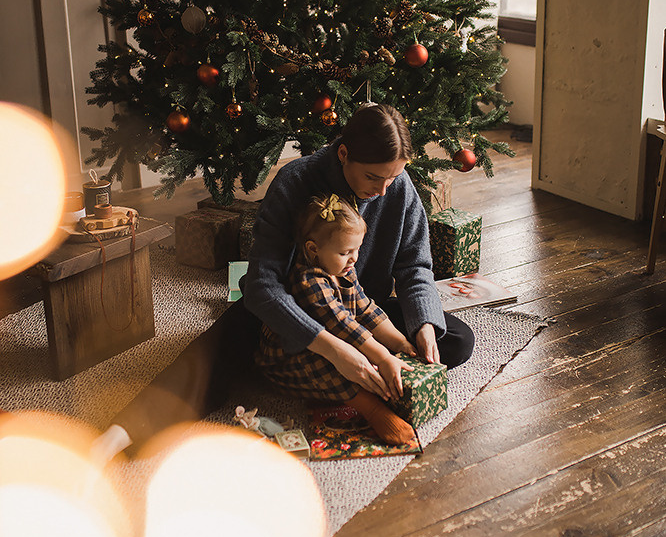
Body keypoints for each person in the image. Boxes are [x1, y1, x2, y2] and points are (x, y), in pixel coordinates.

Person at [94, 103, 474, 461]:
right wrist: (335, 351)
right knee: (214, 352)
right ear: (343, 154)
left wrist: (422, 328)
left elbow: (415, 267)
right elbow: (262, 285)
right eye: (373, 177)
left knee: (453, 339)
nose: (383, 190)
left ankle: (312, 371)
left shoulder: (398, 186)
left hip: (359, 306)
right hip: (292, 307)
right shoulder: (295, 180)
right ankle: (117, 436)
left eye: (393, 177)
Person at [257, 192, 418, 445]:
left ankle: (382, 381)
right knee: (329, 362)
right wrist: (383, 356)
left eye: (357, 250)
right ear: (314, 249)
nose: (354, 258)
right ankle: (372, 409)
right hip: (289, 360)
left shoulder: (343, 269)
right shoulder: (309, 280)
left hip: (340, 339)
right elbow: (343, 325)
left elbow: (366, 309)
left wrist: (400, 344)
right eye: (346, 252)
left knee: (375, 353)